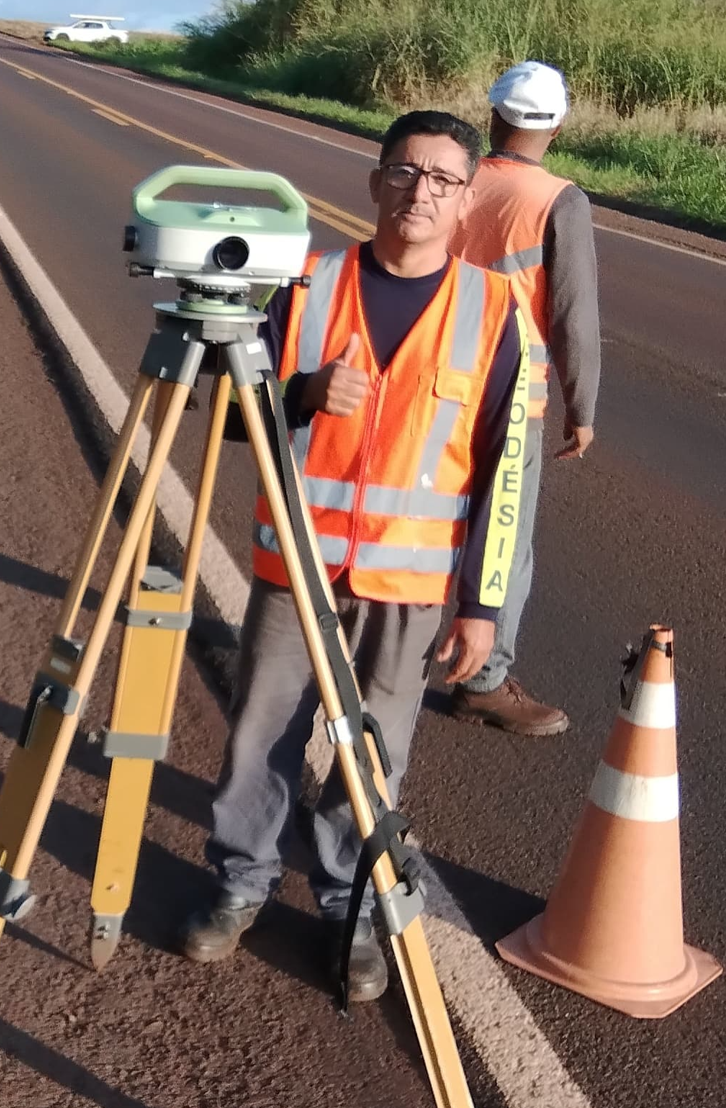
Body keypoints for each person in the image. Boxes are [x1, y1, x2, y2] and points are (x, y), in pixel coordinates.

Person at [180, 110, 527, 1004]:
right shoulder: (305, 285)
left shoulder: (495, 312)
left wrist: (483, 606)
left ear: (466, 200)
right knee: (261, 733)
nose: (421, 192)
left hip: (409, 585)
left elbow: (508, 475)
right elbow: (221, 405)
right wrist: (298, 392)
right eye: (405, 171)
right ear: (376, 181)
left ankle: (351, 906)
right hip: (297, 566)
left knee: (372, 754)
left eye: (443, 179)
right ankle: (240, 883)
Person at [444, 60, 601, 737]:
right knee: (502, 543)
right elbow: (573, 316)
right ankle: (482, 681)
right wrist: (582, 408)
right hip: (507, 395)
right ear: (558, 127)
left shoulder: (450, 177)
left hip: (433, 380)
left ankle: (380, 655)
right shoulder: (559, 200)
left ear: (493, 116)